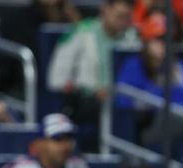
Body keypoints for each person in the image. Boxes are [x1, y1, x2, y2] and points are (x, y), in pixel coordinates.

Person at [47, 0, 137, 134]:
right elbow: (56, 80)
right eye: (119, 16)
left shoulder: (132, 37)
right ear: (105, 9)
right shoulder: (81, 32)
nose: (122, 23)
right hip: (84, 101)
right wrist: (91, 91)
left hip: (122, 100)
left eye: (126, 18)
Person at [115, 11, 183, 147]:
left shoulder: (179, 67)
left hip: (177, 128)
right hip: (145, 127)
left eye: (167, 39)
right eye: (158, 39)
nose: (164, 44)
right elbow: (123, 101)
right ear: (146, 41)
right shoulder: (133, 65)